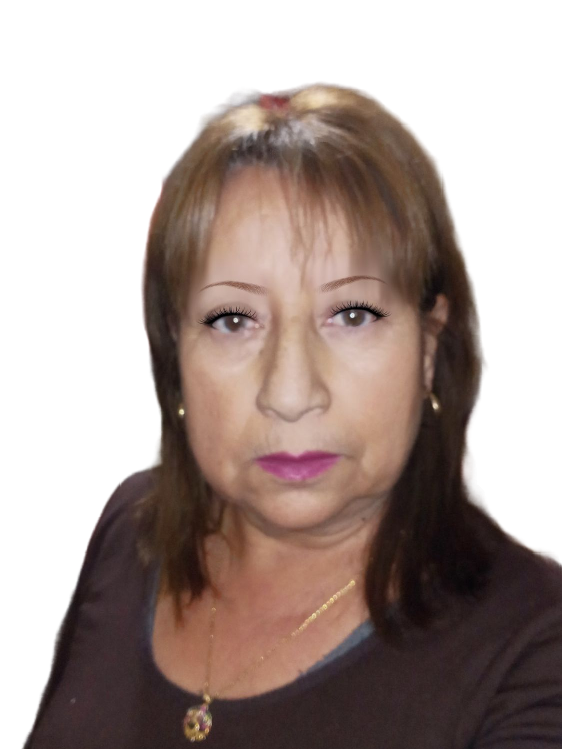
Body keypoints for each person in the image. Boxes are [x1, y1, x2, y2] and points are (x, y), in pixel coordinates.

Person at [24, 85, 562, 748]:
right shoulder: (130, 529)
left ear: (429, 348)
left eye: (352, 314)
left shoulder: (534, 644)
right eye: (233, 320)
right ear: (174, 354)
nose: (290, 391)